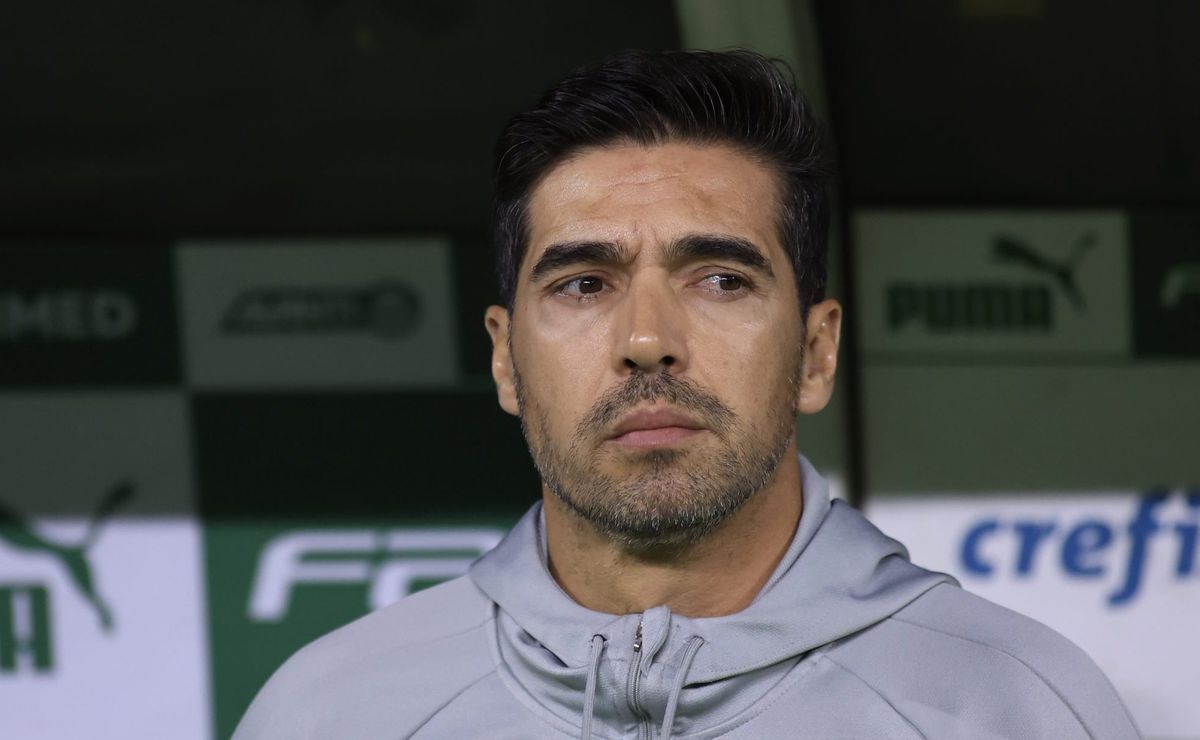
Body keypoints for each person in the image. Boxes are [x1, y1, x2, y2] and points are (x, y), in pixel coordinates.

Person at [233, 49, 1140, 739]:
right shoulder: (332, 713)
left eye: (720, 279)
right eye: (583, 284)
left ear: (815, 353)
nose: (646, 341)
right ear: (506, 361)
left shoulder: (1013, 709)